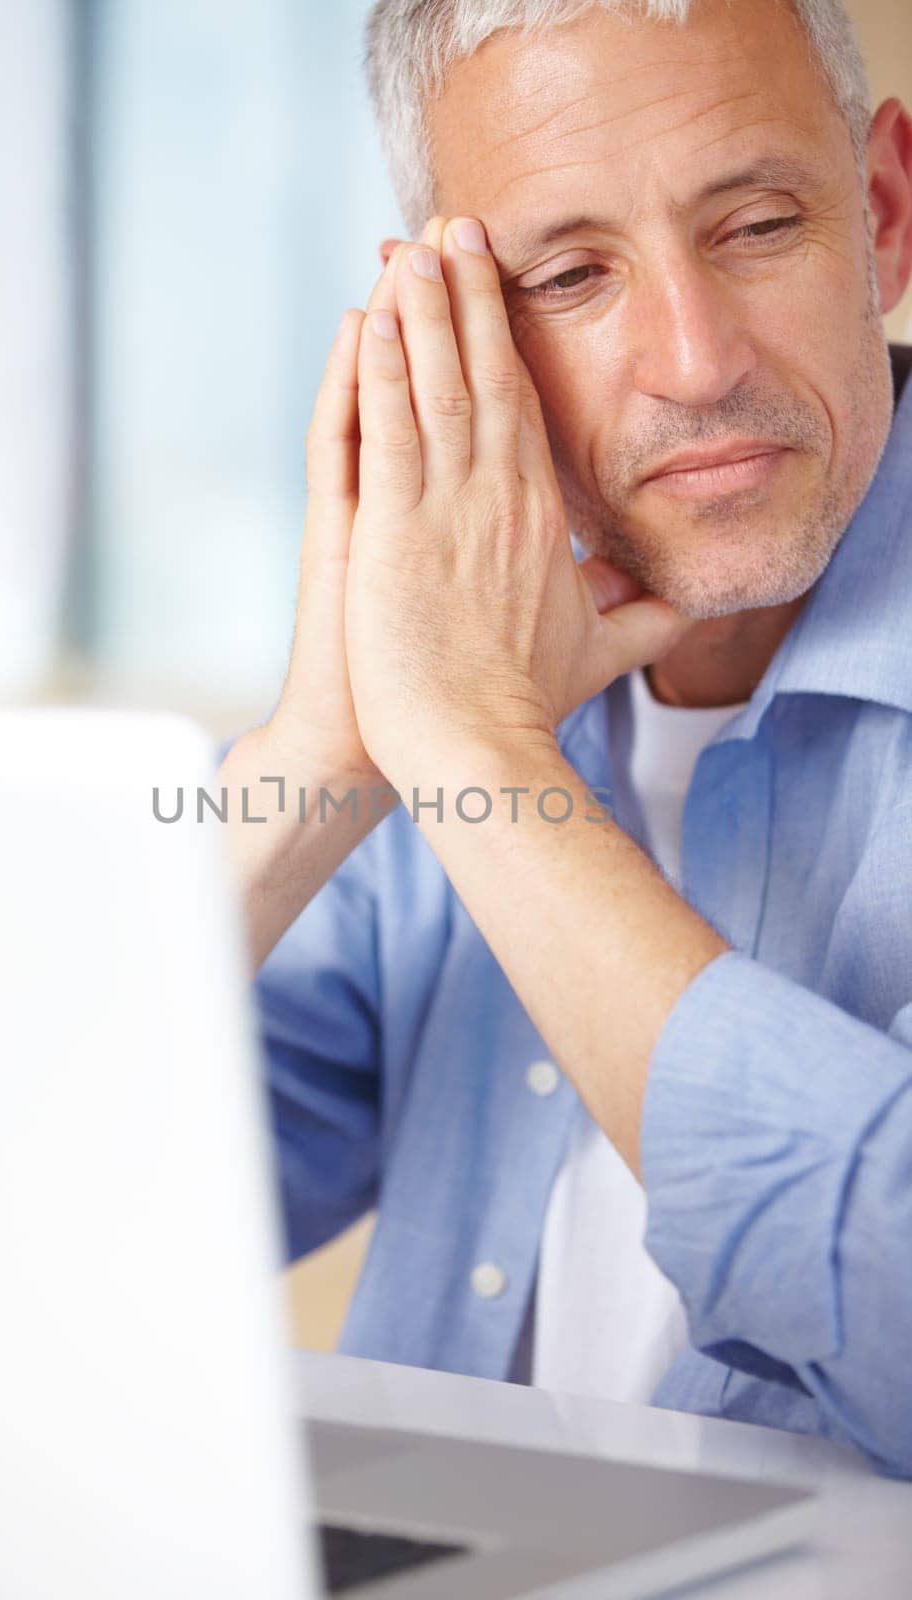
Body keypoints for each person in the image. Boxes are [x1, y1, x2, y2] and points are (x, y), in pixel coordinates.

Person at [215, 0, 912, 1476]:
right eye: (574, 273)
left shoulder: (467, 722)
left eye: (758, 225)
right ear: (450, 339)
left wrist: (479, 767)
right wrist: (318, 762)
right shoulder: (453, 682)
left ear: (886, 217)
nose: (692, 358)